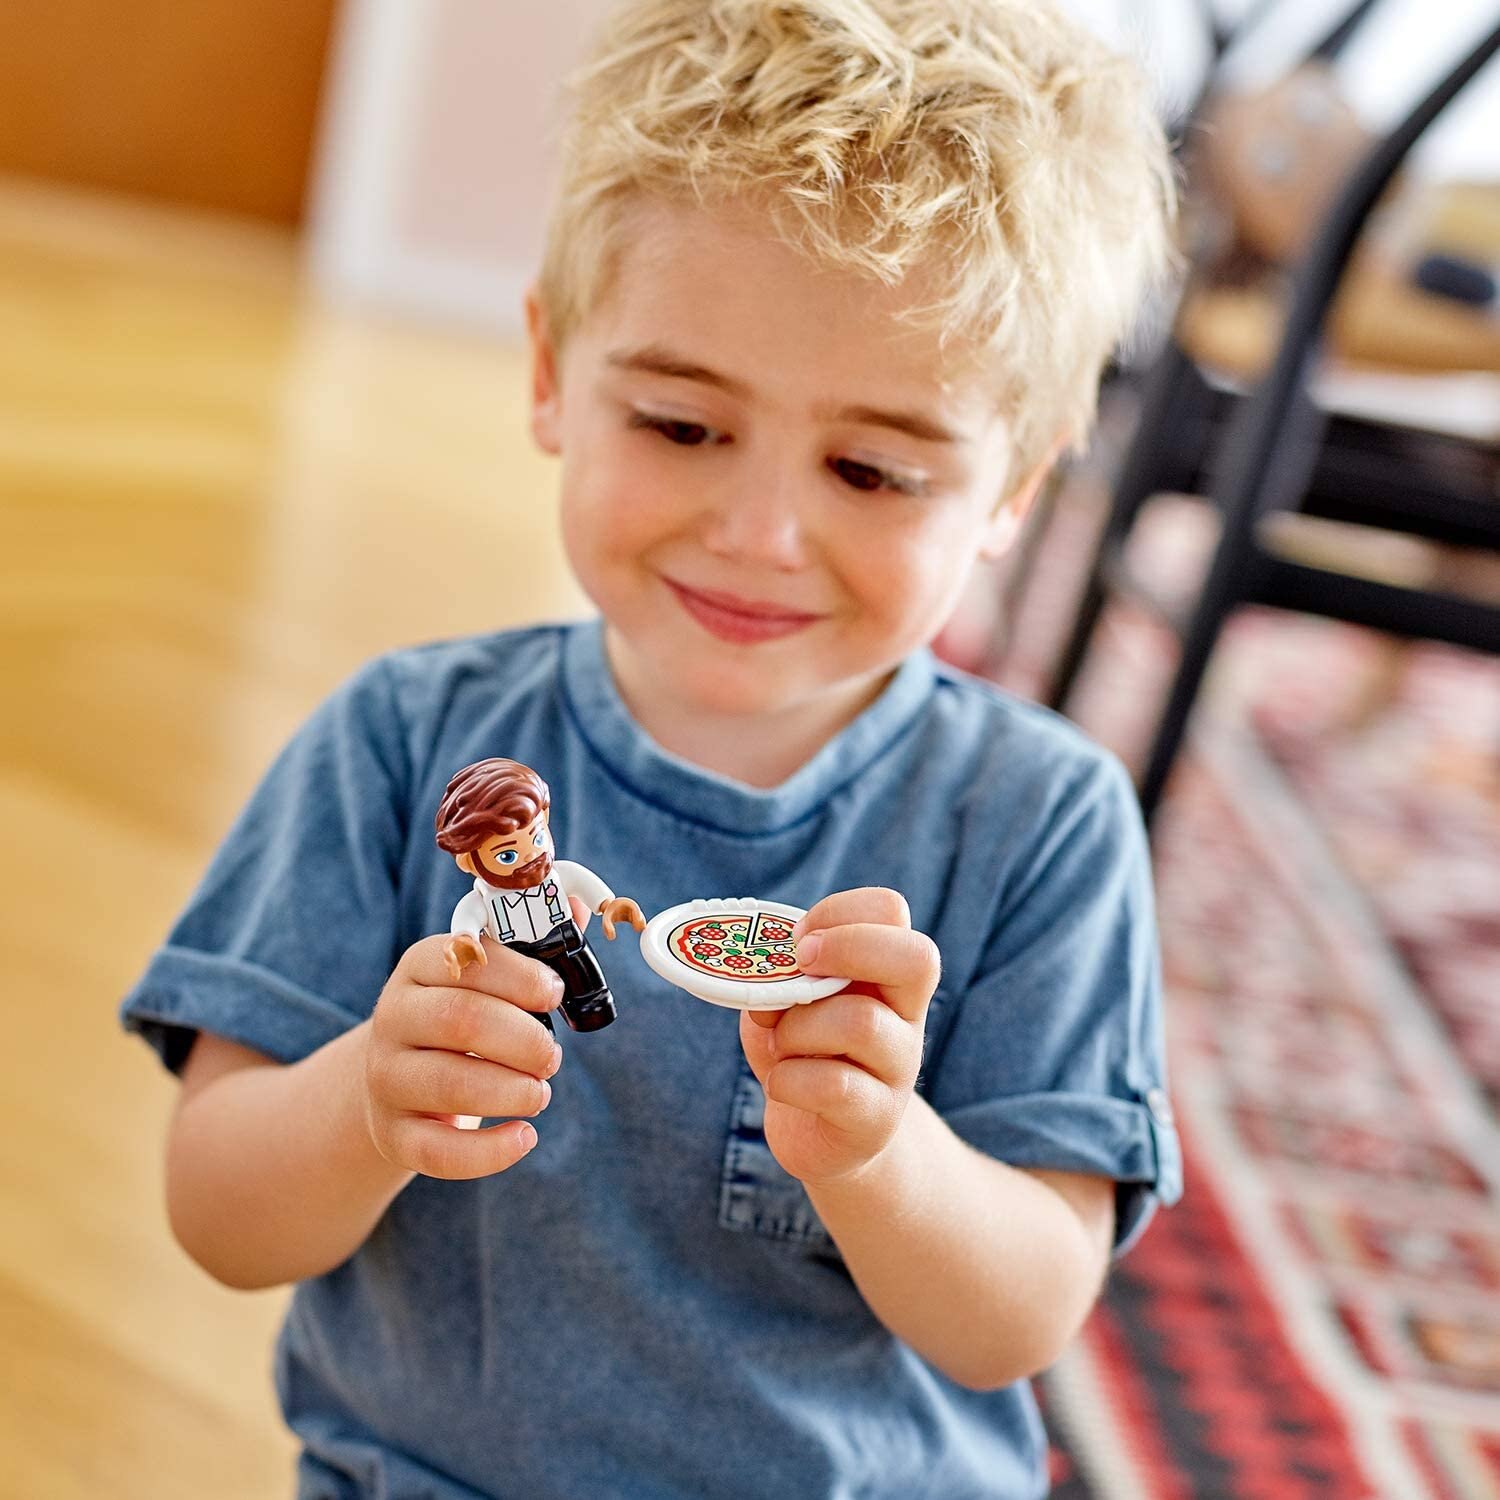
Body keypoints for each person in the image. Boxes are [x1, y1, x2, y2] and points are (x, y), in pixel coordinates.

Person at [120, 1, 1183, 1495]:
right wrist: (365, 1099)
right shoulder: (403, 743)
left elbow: (1018, 1320)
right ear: (553, 373)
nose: (761, 534)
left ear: (1015, 486)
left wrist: (881, 1156)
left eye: (872, 470)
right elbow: (220, 1215)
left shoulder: (1041, 822)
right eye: (683, 425)